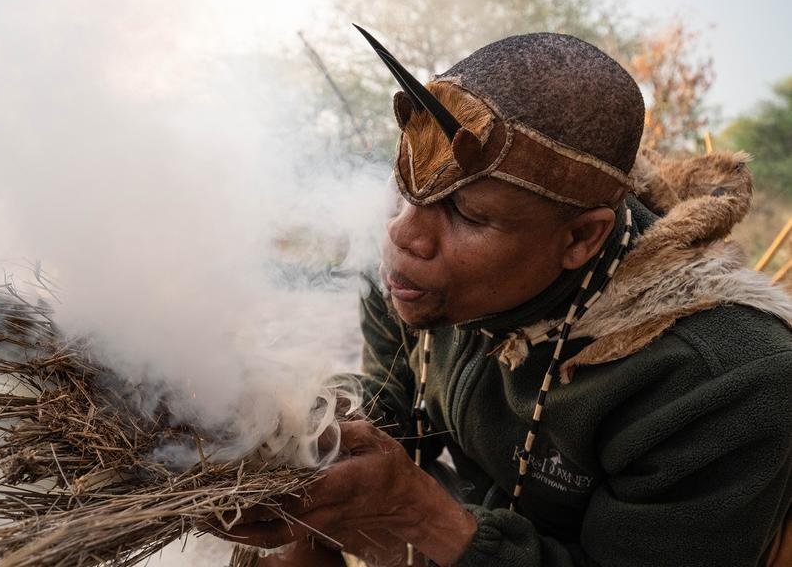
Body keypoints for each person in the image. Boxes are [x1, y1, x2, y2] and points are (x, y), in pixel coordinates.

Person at [221, 29, 792, 566]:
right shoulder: (414, 272)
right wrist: (316, 428)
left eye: (467, 212)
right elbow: (393, 399)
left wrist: (421, 513)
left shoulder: (721, 379)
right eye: (404, 188)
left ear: (579, 238)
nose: (402, 235)